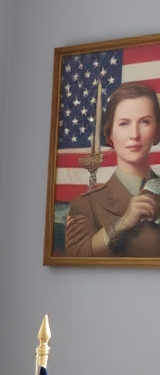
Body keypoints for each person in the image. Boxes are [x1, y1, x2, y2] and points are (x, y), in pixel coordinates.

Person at [65, 82, 160, 256]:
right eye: (124, 124)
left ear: (157, 132)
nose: (134, 135)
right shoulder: (87, 205)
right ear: (110, 136)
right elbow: (75, 259)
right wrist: (122, 224)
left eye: (145, 122)